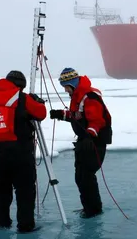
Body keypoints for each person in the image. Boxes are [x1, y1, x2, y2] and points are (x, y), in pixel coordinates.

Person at [0, 70, 47, 233]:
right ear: (21, 86)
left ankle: (2, 224)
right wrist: (37, 102)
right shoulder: (22, 98)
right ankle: (26, 226)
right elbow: (41, 114)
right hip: (19, 154)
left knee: (0, 190)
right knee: (25, 190)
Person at [50, 67, 112, 219]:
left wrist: (90, 136)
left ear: (72, 84)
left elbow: (97, 120)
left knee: (86, 176)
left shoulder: (89, 96)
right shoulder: (78, 96)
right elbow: (77, 116)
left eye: (66, 87)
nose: (65, 90)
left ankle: (94, 210)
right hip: (85, 141)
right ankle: (89, 208)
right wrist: (60, 114)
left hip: (93, 142)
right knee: (80, 176)